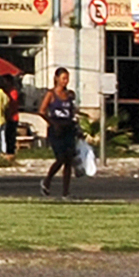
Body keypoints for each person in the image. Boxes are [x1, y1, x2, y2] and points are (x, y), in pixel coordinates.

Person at [36, 69, 85, 198]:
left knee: (69, 160)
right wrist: (52, 123)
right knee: (61, 158)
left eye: (67, 79)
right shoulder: (51, 94)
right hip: (56, 129)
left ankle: (66, 192)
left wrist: (77, 129)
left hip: (68, 128)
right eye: (63, 78)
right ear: (57, 78)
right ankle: (47, 181)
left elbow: (72, 112)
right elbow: (41, 111)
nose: (65, 81)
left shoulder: (68, 95)